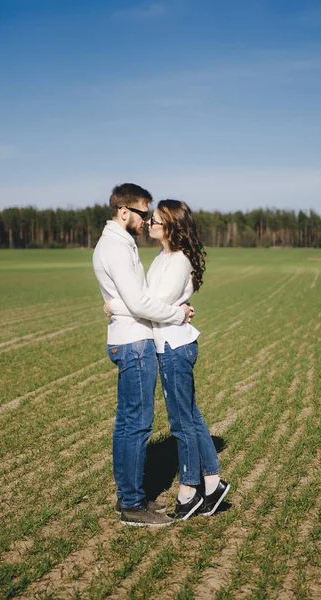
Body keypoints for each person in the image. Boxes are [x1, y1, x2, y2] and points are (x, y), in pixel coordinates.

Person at [108, 199, 230, 520]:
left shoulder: (178, 261)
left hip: (175, 347)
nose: (149, 224)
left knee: (180, 421)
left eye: (156, 221)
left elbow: (154, 303)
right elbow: (146, 300)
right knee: (190, 414)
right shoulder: (163, 257)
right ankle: (213, 483)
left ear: (170, 226)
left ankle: (189, 491)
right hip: (169, 344)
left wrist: (120, 306)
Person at [93, 184, 194, 527]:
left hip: (130, 337)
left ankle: (129, 499)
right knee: (136, 424)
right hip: (134, 342)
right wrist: (179, 314)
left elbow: (133, 298)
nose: (146, 219)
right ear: (123, 211)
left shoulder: (121, 244)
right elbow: (138, 303)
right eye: (142, 212)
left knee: (128, 422)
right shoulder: (117, 248)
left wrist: (114, 305)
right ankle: (134, 505)